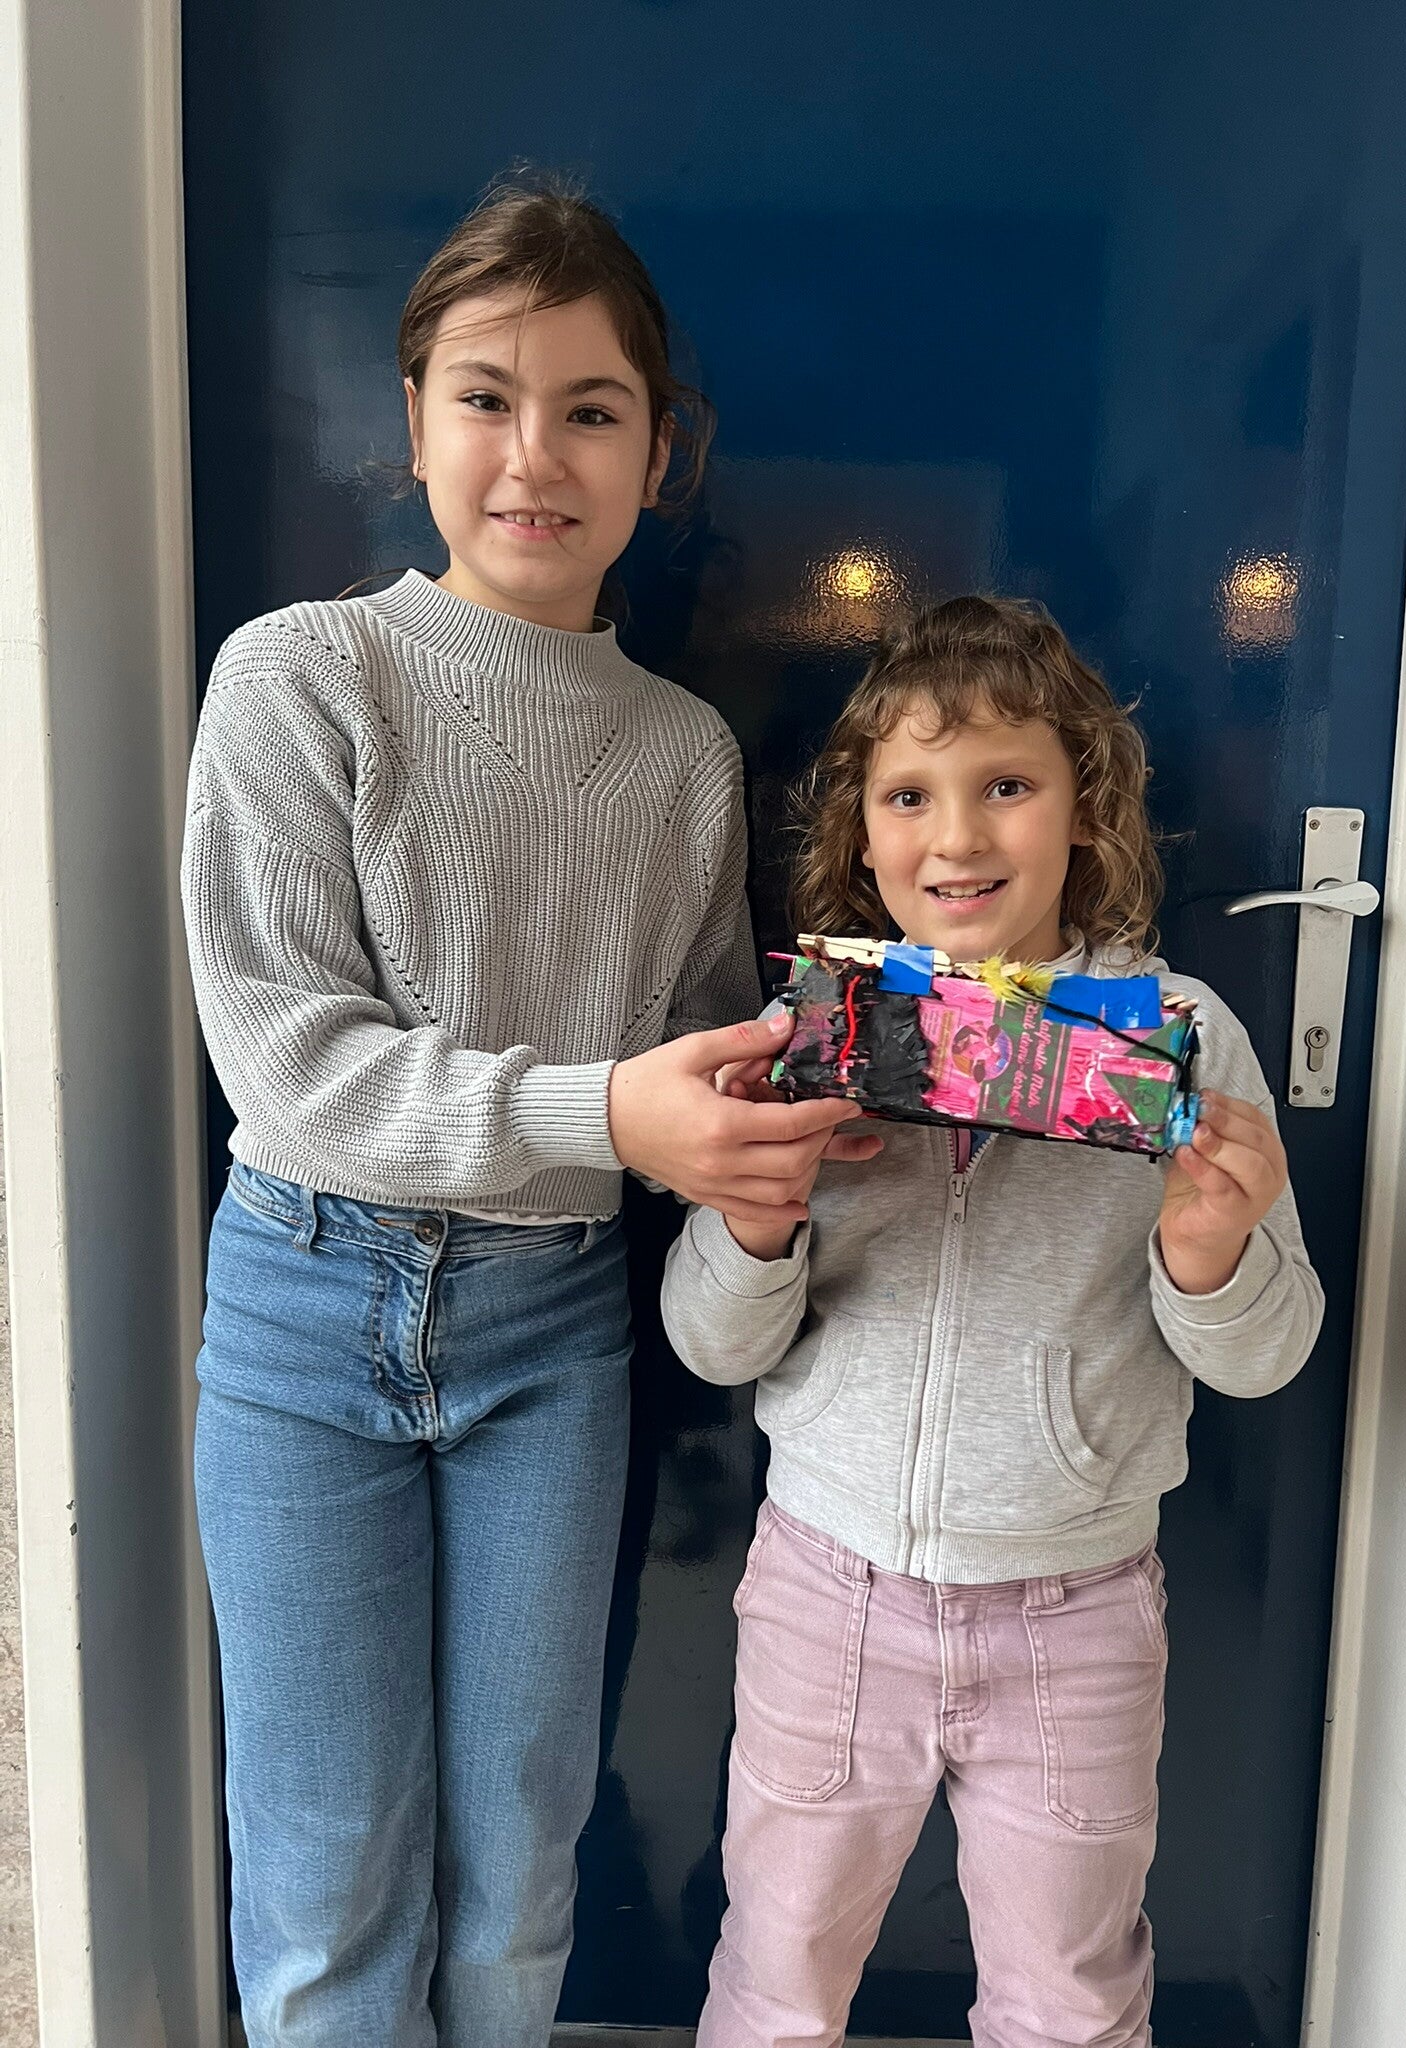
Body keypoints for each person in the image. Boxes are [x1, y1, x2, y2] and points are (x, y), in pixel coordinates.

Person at [181, 179, 872, 2048]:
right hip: (304, 1311)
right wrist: (615, 1112)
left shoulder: (683, 753)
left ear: (661, 452)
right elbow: (286, 1060)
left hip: (556, 1325)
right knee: (325, 1873)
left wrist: (804, 1100)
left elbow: (693, 1049)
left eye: (591, 408)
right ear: (412, 421)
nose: (533, 454)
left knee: (521, 1852)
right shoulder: (298, 676)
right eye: (486, 398)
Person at [662, 595, 1324, 2048]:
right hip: (828, 1592)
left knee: (1071, 2002)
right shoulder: (809, 1042)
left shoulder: (1180, 1035)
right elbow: (712, 1343)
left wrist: (1208, 1252)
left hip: (1074, 1610)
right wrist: (762, 1219)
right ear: (862, 834)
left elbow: (1269, 1354)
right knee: (775, 1977)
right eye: (910, 795)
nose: (957, 837)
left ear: (1085, 808)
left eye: (1007, 784)